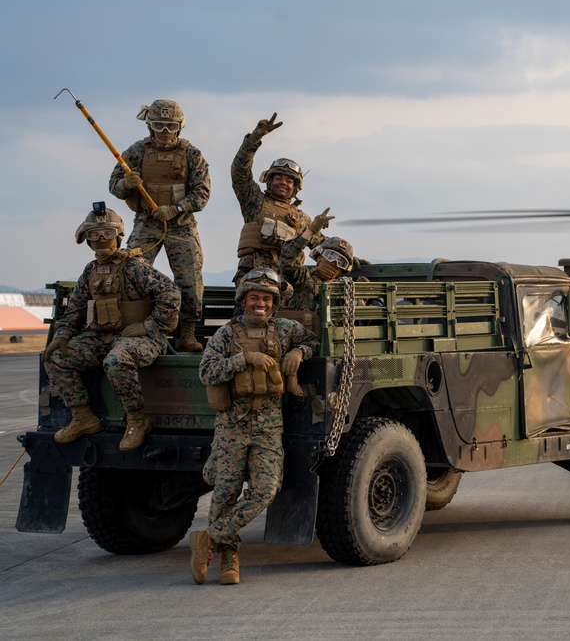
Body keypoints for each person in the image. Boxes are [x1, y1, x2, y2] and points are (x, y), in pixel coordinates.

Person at [190, 268, 320, 586]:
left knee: (265, 491)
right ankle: (227, 558)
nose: (260, 303)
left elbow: (315, 340)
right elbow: (206, 373)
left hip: (268, 425)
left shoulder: (286, 329)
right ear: (243, 301)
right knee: (225, 493)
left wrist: (297, 352)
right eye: (254, 298)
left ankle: (211, 537)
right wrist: (245, 358)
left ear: (273, 303)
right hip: (232, 426)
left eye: (265, 298)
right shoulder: (226, 335)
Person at [42, 203, 181, 451]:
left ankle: (137, 420)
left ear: (118, 235)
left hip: (143, 339)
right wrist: (63, 335)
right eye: (94, 234)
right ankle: (83, 417)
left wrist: (150, 326)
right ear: (87, 239)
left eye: (107, 233)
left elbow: (170, 294)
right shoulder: (90, 271)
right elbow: (75, 309)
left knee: (115, 361)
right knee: (55, 358)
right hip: (102, 338)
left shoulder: (134, 267)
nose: (101, 239)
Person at [109, 99, 210, 352]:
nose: (165, 133)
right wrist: (126, 185)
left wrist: (175, 209)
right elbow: (114, 184)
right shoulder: (136, 152)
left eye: (170, 126)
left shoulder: (192, 154)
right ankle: (137, 327)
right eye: (158, 126)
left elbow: (202, 194)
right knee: (131, 271)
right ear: (149, 126)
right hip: (147, 222)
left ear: (179, 127)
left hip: (182, 226)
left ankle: (187, 333)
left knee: (190, 280)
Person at [231, 113, 323, 287]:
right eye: (279, 178)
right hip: (253, 277)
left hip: (287, 282)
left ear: (295, 187)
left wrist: (349, 257)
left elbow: (322, 246)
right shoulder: (254, 200)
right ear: (269, 181)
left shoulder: (301, 218)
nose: (283, 183)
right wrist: (254, 139)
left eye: (289, 181)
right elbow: (239, 171)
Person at [278, 210, 359, 314]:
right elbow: (288, 261)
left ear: (342, 269)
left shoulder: (343, 290)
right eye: (330, 256)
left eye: (340, 262)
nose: (334, 262)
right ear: (319, 257)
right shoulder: (302, 280)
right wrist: (310, 231)